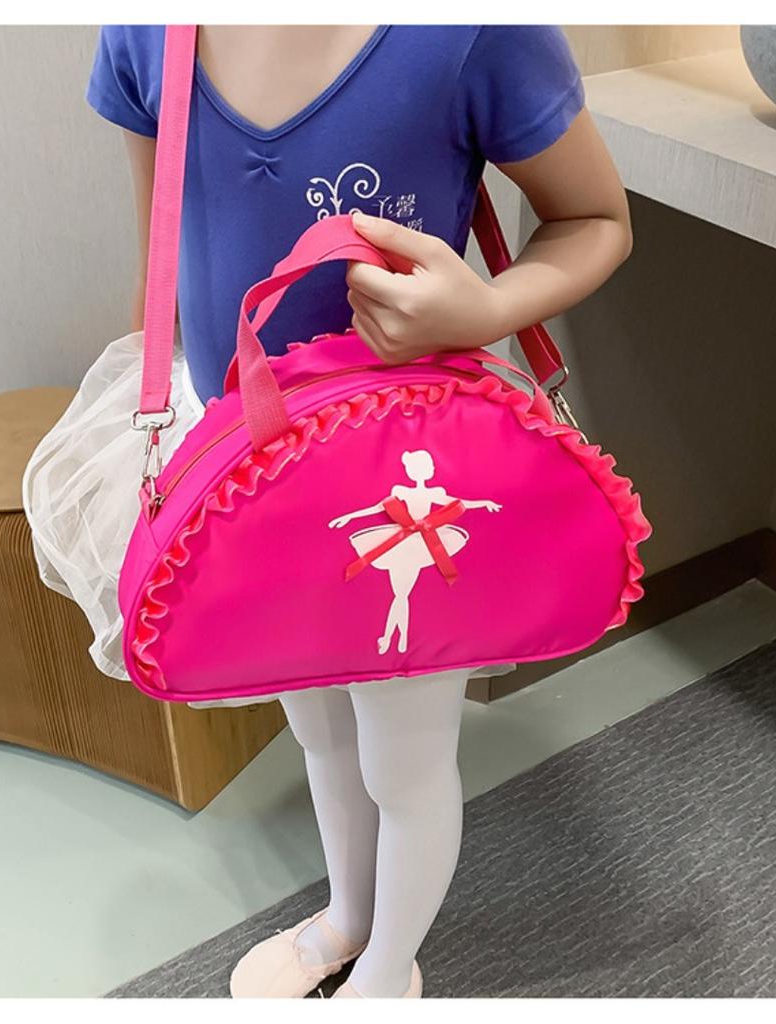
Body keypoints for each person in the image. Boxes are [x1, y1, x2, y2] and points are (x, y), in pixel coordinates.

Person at [59, 24, 632, 998]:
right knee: (318, 722)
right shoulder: (149, 31)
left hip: (394, 464)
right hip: (244, 461)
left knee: (404, 757)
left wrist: (490, 311)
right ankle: (350, 917)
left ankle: (386, 971)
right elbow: (165, 244)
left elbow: (594, 215)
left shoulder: (473, 29)